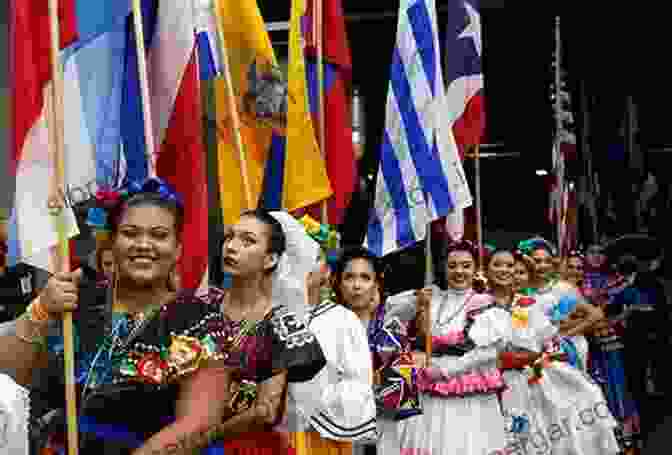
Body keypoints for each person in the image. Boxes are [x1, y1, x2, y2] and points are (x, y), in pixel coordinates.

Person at [0, 178, 231, 454]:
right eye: (130, 233)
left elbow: (199, 423)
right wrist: (40, 311)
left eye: (159, 235)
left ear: (177, 249)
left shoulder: (200, 321)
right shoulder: (76, 303)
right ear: (112, 243)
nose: (144, 244)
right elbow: (9, 380)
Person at [204, 209, 327, 454]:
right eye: (230, 237)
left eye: (247, 240)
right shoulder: (201, 307)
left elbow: (265, 411)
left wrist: (205, 436)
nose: (231, 246)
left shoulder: (283, 326)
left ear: (270, 259)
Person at [490, 247, 619, 455]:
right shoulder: (486, 303)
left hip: (538, 369)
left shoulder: (530, 302)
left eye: (515, 269)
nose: (509, 273)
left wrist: (552, 343)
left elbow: (542, 338)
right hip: (505, 375)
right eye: (498, 266)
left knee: (582, 396)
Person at [389, 239, 510, 454]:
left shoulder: (484, 303)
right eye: (452, 266)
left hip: (468, 390)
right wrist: (417, 299)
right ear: (444, 269)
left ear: (475, 269)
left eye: (466, 265)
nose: (459, 272)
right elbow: (390, 311)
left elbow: (489, 352)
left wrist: (446, 370)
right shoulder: (434, 298)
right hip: (430, 388)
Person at [287, 222, 377, 454]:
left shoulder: (343, 321)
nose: (304, 264)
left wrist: (311, 397)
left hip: (321, 440)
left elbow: (359, 387)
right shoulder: (269, 314)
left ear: (327, 271)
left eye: (313, 257)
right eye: (297, 256)